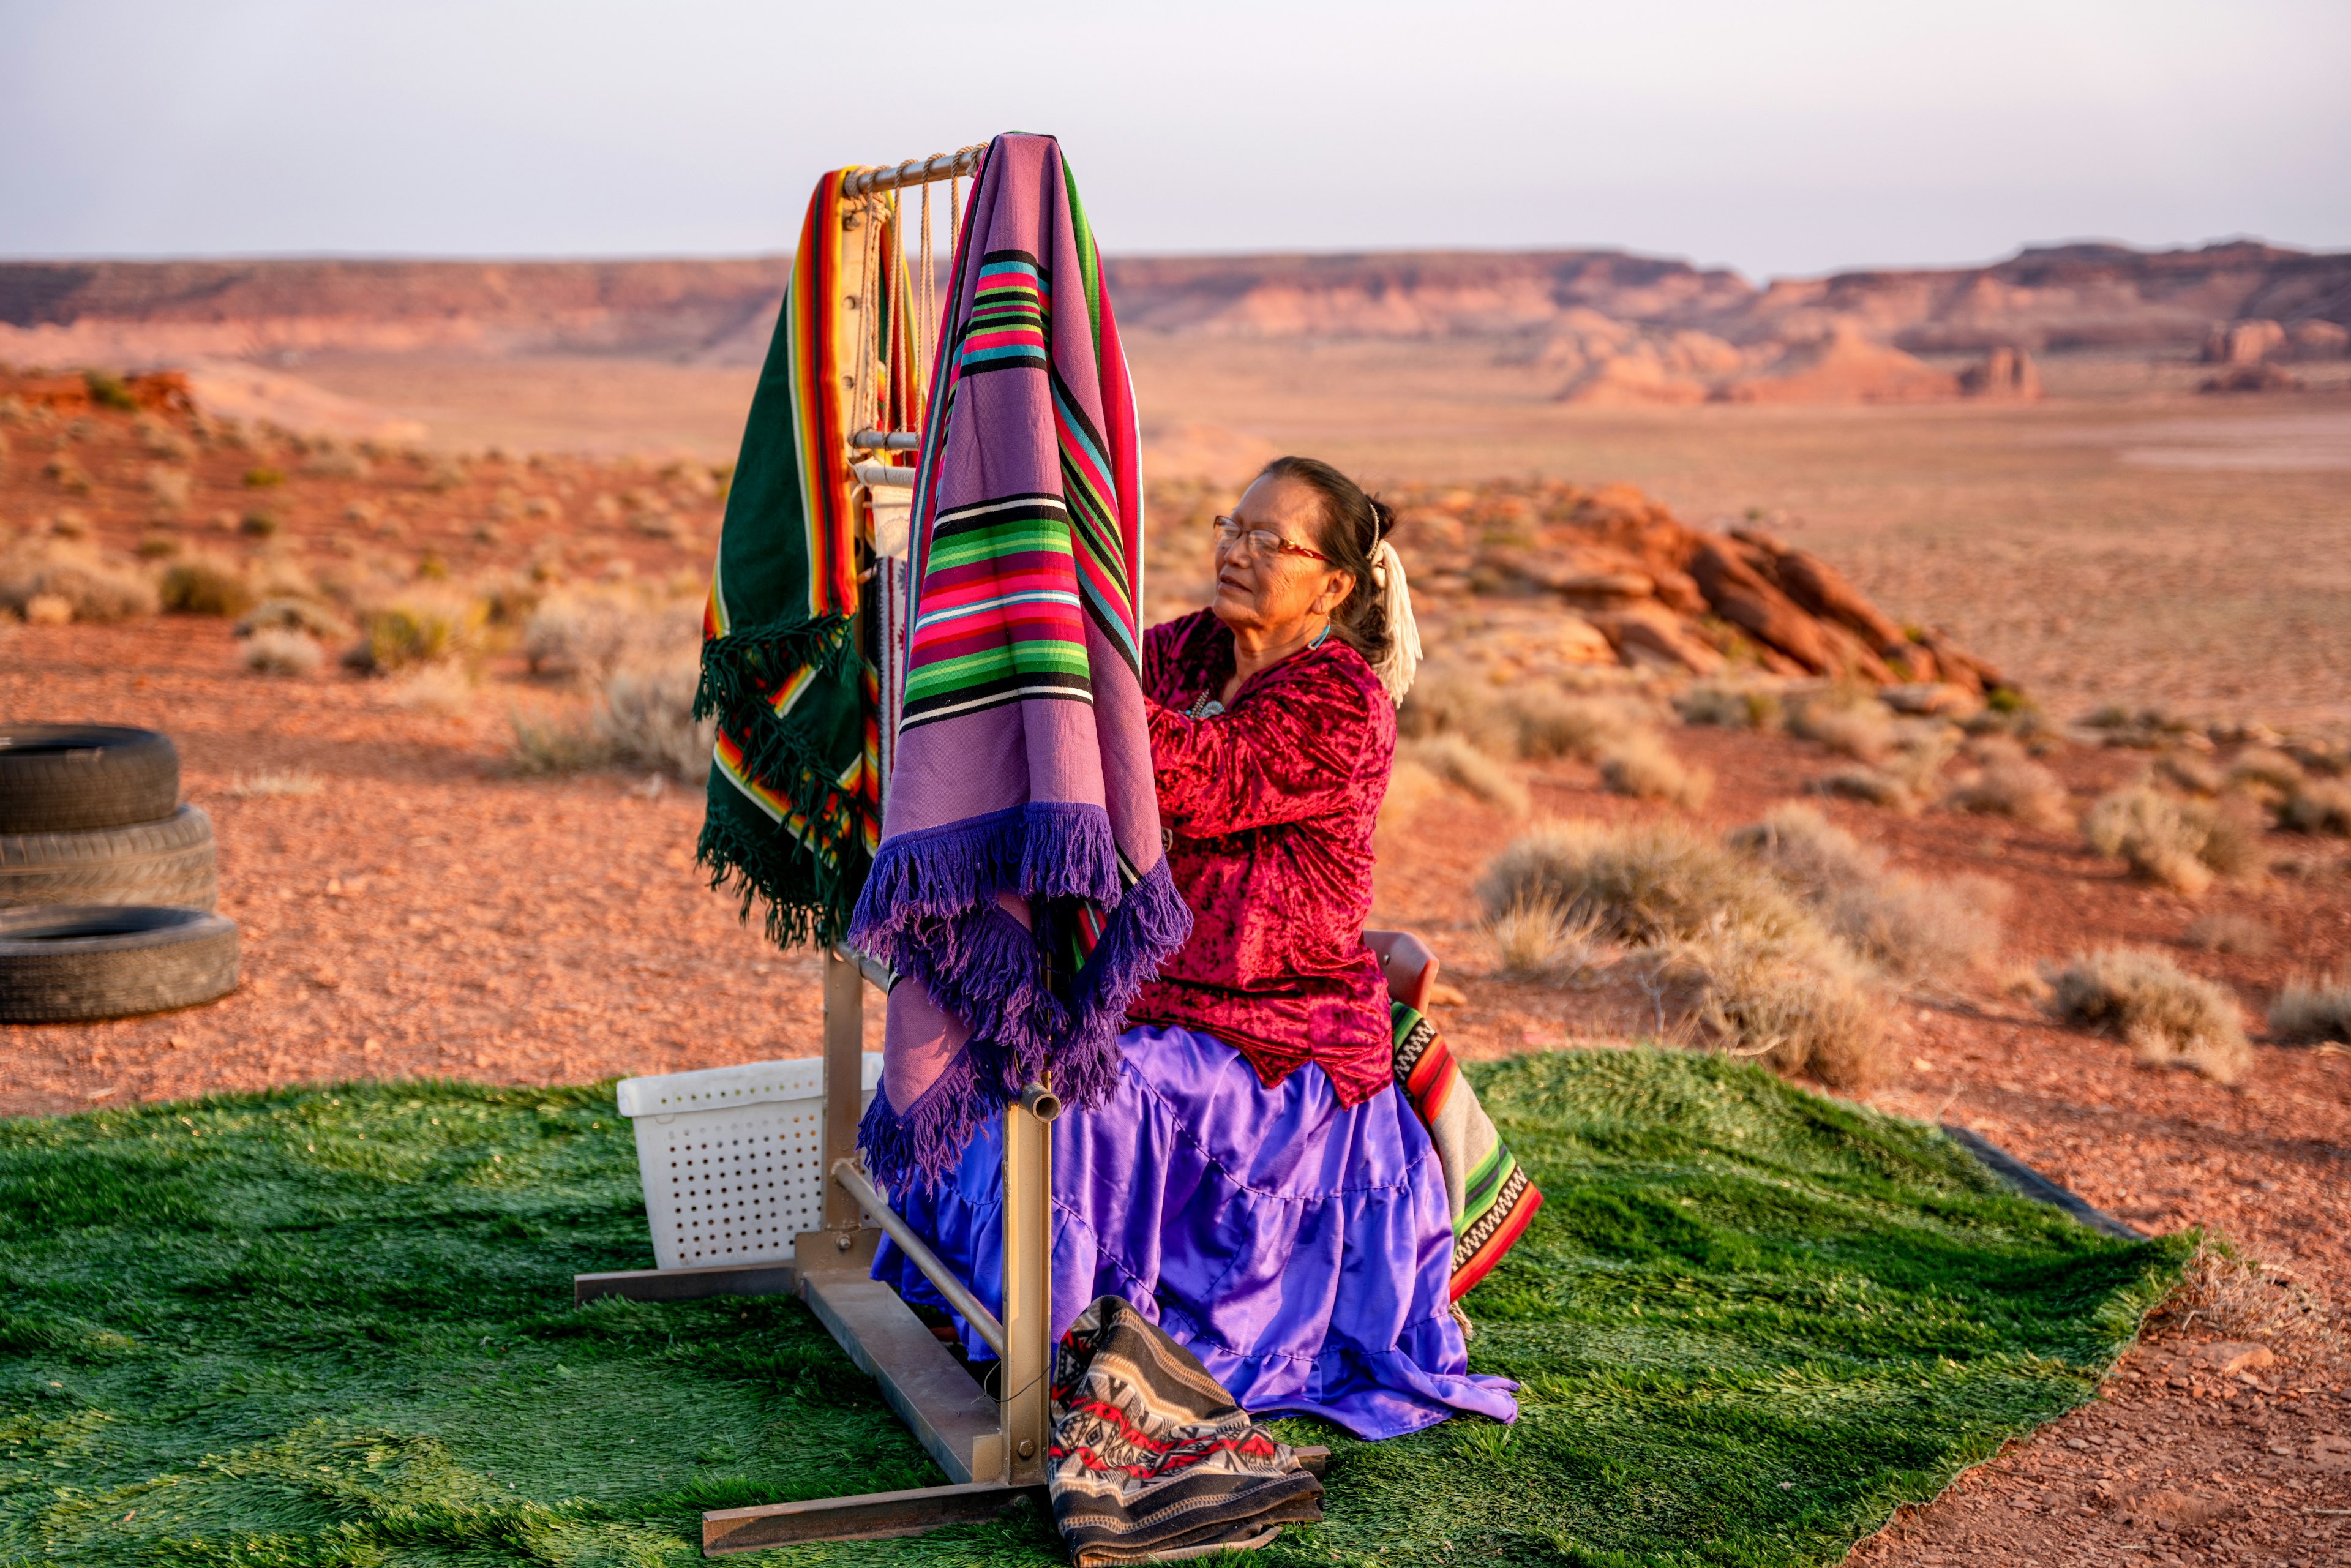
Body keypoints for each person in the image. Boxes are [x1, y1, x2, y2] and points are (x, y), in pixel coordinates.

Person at [876, 456, 1514, 1440]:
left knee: (1090, 1095)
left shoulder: (1345, 703)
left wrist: (1066, 666)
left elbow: (1197, 775)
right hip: (1156, 988)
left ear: (1334, 585)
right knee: (977, 1024)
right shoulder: (1183, 651)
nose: (1238, 551)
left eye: (1272, 540)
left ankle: (1061, 1354)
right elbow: (1102, 706)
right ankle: (967, 1301)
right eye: (1233, 525)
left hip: (1273, 1025)